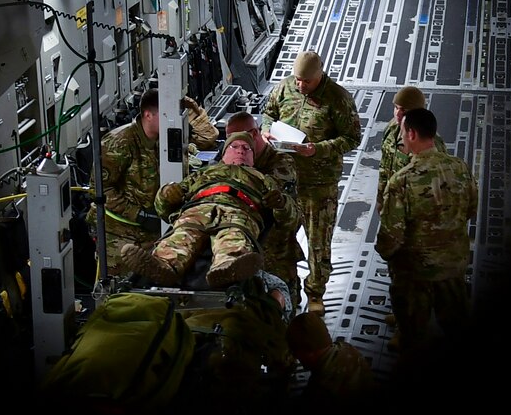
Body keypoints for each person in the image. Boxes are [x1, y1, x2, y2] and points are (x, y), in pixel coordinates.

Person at [122, 132, 295, 288]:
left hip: (239, 210)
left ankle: (226, 269)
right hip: (198, 208)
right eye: (234, 147)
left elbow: (291, 219)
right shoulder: (203, 174)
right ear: (224, 153)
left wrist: (281, 203)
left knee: (234, 236)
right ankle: (163, 266)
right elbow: (163, 209)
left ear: (253, 157)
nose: (241, 151)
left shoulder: (262, 179)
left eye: (247, 148)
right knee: (184, 233)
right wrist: (166, 194)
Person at [262, 50, 362, 314]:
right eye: (297, 80)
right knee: (279, 238)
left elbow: (351, 139)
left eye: (306, 81)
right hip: (284, 179)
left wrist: (317, 149)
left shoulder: (337, 98)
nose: (300, 85)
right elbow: (268, 113)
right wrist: (265, 130)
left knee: (318, 242)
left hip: (318, 183)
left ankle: (316, 293)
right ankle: (285, 288)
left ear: (320, 75)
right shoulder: (285, 87)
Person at [376, 107, 478, 362]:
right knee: (457, 331)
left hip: (414, 275)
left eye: (402, 132)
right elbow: (471, 208)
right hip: (453, 267)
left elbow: (391, 238)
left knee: (413, 341)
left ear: (411, 134)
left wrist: (388, 254)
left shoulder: (402, 180)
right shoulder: (460, 167)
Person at [376, 85, 447, 346]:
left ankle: (410, 328)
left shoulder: (433, 145)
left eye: (403, 110)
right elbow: (385, 168)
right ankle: (401, 313)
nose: (397, 113)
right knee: (397, 268)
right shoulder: (391, 131)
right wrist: (381, 200)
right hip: (393, 209)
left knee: (415, 275)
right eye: (395, 107)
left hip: (416, 219)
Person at [225, 110, 306, 312]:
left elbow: (285, 211)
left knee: (282, 308)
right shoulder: (234, 159)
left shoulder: (280, 164)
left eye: (240, 141)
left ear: (253, 135)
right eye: (230, 142)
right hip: (244, 250)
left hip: (275, 253)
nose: (236, 147)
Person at [86, 88, 162, 278]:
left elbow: (206, 138)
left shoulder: (165, 140)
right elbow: (99, 190)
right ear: (148, 115)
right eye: (165, 114)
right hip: (118, 232)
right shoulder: (120, 143)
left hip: (150, 232)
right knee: (117, 292)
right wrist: (140, 215)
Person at [285, 311, 375, 413]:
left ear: (309, 351)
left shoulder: (322, 390)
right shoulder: (346, 348)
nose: (295, 357)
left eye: (295, 351)